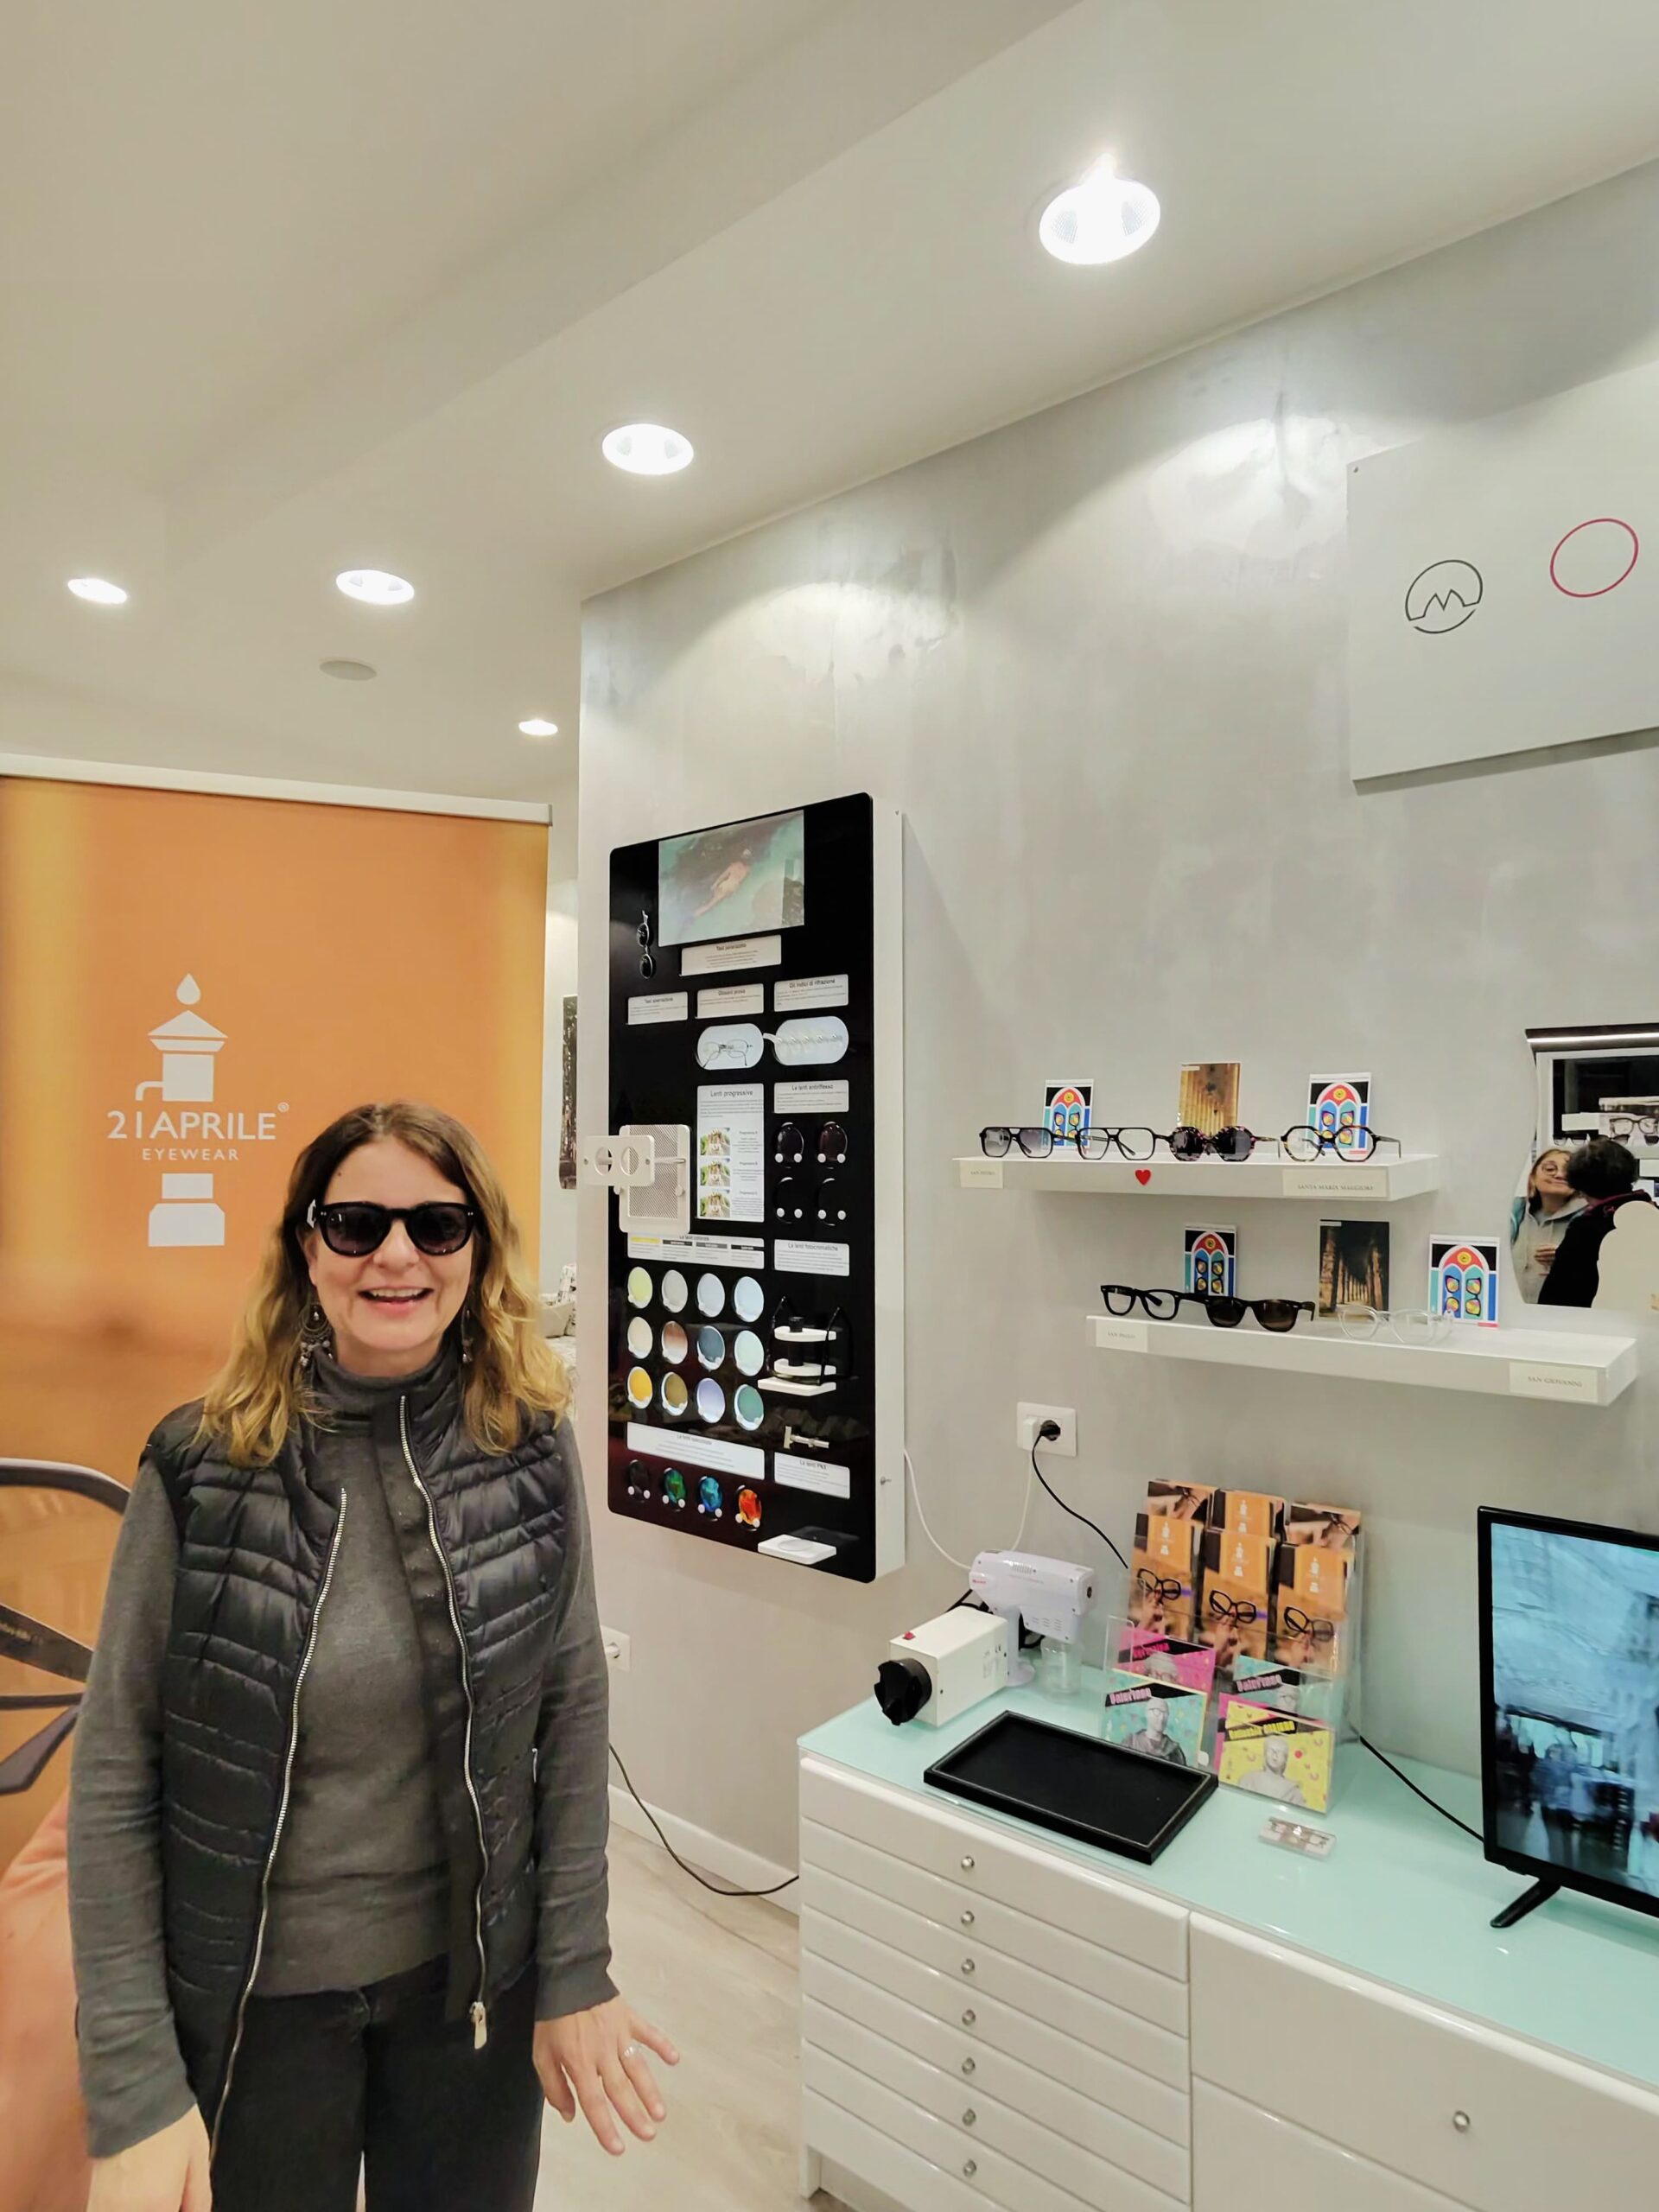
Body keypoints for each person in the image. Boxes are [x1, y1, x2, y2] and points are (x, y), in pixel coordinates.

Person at [67, 1102, 677, 2212]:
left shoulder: (530, 1443)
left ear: (476, 1251)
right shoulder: (200, 1466)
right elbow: (113, 1771)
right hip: (258, 2012)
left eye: (436, 1225)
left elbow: (572, 1707)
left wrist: (573, 1964)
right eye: (357, 1224)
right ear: (308, 1248)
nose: (397, 1255)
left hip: (470, 2002)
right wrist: (132, 2081)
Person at [1537, 1136, 1652, 1307]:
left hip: (1597, 1318)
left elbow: (1559, 1295)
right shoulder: (1651, 1214)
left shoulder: (1586, 1228)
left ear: (1581, 1187)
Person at [1510, 1147, 1588, 1303]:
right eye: (1550, 1169)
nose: (1559, 1175)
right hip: (1513, 1311)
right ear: (1533, 1177)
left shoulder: (1590, 1221)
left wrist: (1568, 1258)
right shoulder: (1514, 1215)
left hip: (1562, 1313)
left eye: (1568, 1171)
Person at [1235, 1733, 1308, 1807]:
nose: (1275, 1756)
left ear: (1285, 1759)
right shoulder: (1249, 1779)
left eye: (1280, 1752)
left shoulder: (1293, 1791)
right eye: (1271, 1751)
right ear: (1265, 1754)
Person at [1124, 1694, 1189, 1765]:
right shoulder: (1132, 1742)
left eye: (1165, 1714)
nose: (1162, 1718)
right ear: (1147, 1713)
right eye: (1157, 1712)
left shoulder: (1174, 1750)